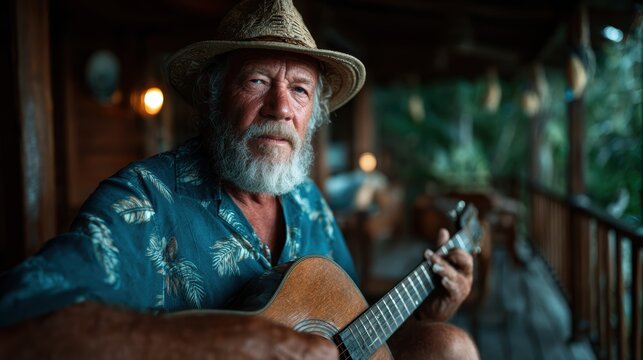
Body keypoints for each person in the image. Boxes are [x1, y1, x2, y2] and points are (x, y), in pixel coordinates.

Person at [0, 0, 478, 358]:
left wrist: (423, 311)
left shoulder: (309, 203)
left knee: (447, 344)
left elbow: (348, 334)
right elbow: (20, 323)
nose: (280, 108)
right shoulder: (144, 199)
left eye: (299, 89)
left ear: (312, 116)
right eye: (256, 81)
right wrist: (232, 340)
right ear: (213, 99)